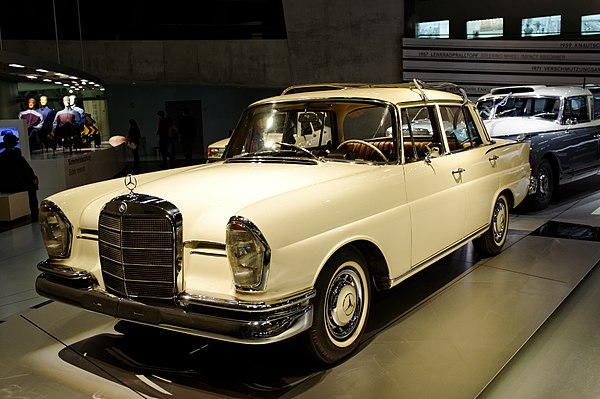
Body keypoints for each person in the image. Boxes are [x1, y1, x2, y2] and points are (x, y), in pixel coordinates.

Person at [0, 133, 39, 221]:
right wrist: (34, 178)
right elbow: (27, 171)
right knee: (32, 189)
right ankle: (35, 213)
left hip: (5, 186)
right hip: (18, 185)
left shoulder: (2, 157)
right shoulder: (17, 156)